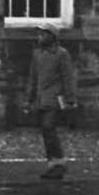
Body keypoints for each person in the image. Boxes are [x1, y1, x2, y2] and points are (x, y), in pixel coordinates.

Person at [29, 26, 78, 178]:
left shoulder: (61, 54)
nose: (39, 37)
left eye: (43, 34)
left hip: (55, 98)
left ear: (52, 36)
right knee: (46, 131)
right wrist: (29, 98)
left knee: (48, 126)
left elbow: (67, 77)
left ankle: (59, 163)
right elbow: (33, 78)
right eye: (39, 34)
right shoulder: (37, 54)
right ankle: (53, 164)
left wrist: (70, 99)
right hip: (41, 98)